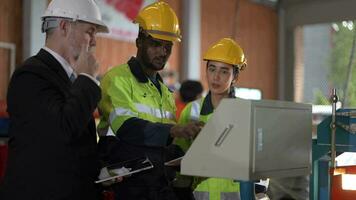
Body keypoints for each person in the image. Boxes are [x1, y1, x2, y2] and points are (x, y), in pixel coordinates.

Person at [0, 0, 108, 199]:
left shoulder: (70, 78)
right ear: (65, 27)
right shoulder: (30, 75)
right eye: (90, 31)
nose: (94, 41)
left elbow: (74, 145)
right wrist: (88, 79)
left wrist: (100, 171)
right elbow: (62, 130)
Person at [97, 2, 203, 200]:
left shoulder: (164, 92)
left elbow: (167, 145)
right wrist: (174, 130)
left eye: (168, 46)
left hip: (159, 186)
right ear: (139, 41)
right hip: (126, 187)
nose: (163, 52)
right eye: (156, 44)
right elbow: (126, 127)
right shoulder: (117, 79)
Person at [174, 38, 247, 200]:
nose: (216, 77)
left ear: (235, 77)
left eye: (224, 71)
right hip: (200, 194)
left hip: (237, 195)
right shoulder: (192, 110)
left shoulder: (245, 111)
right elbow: (180, 155)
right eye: (212, 69)